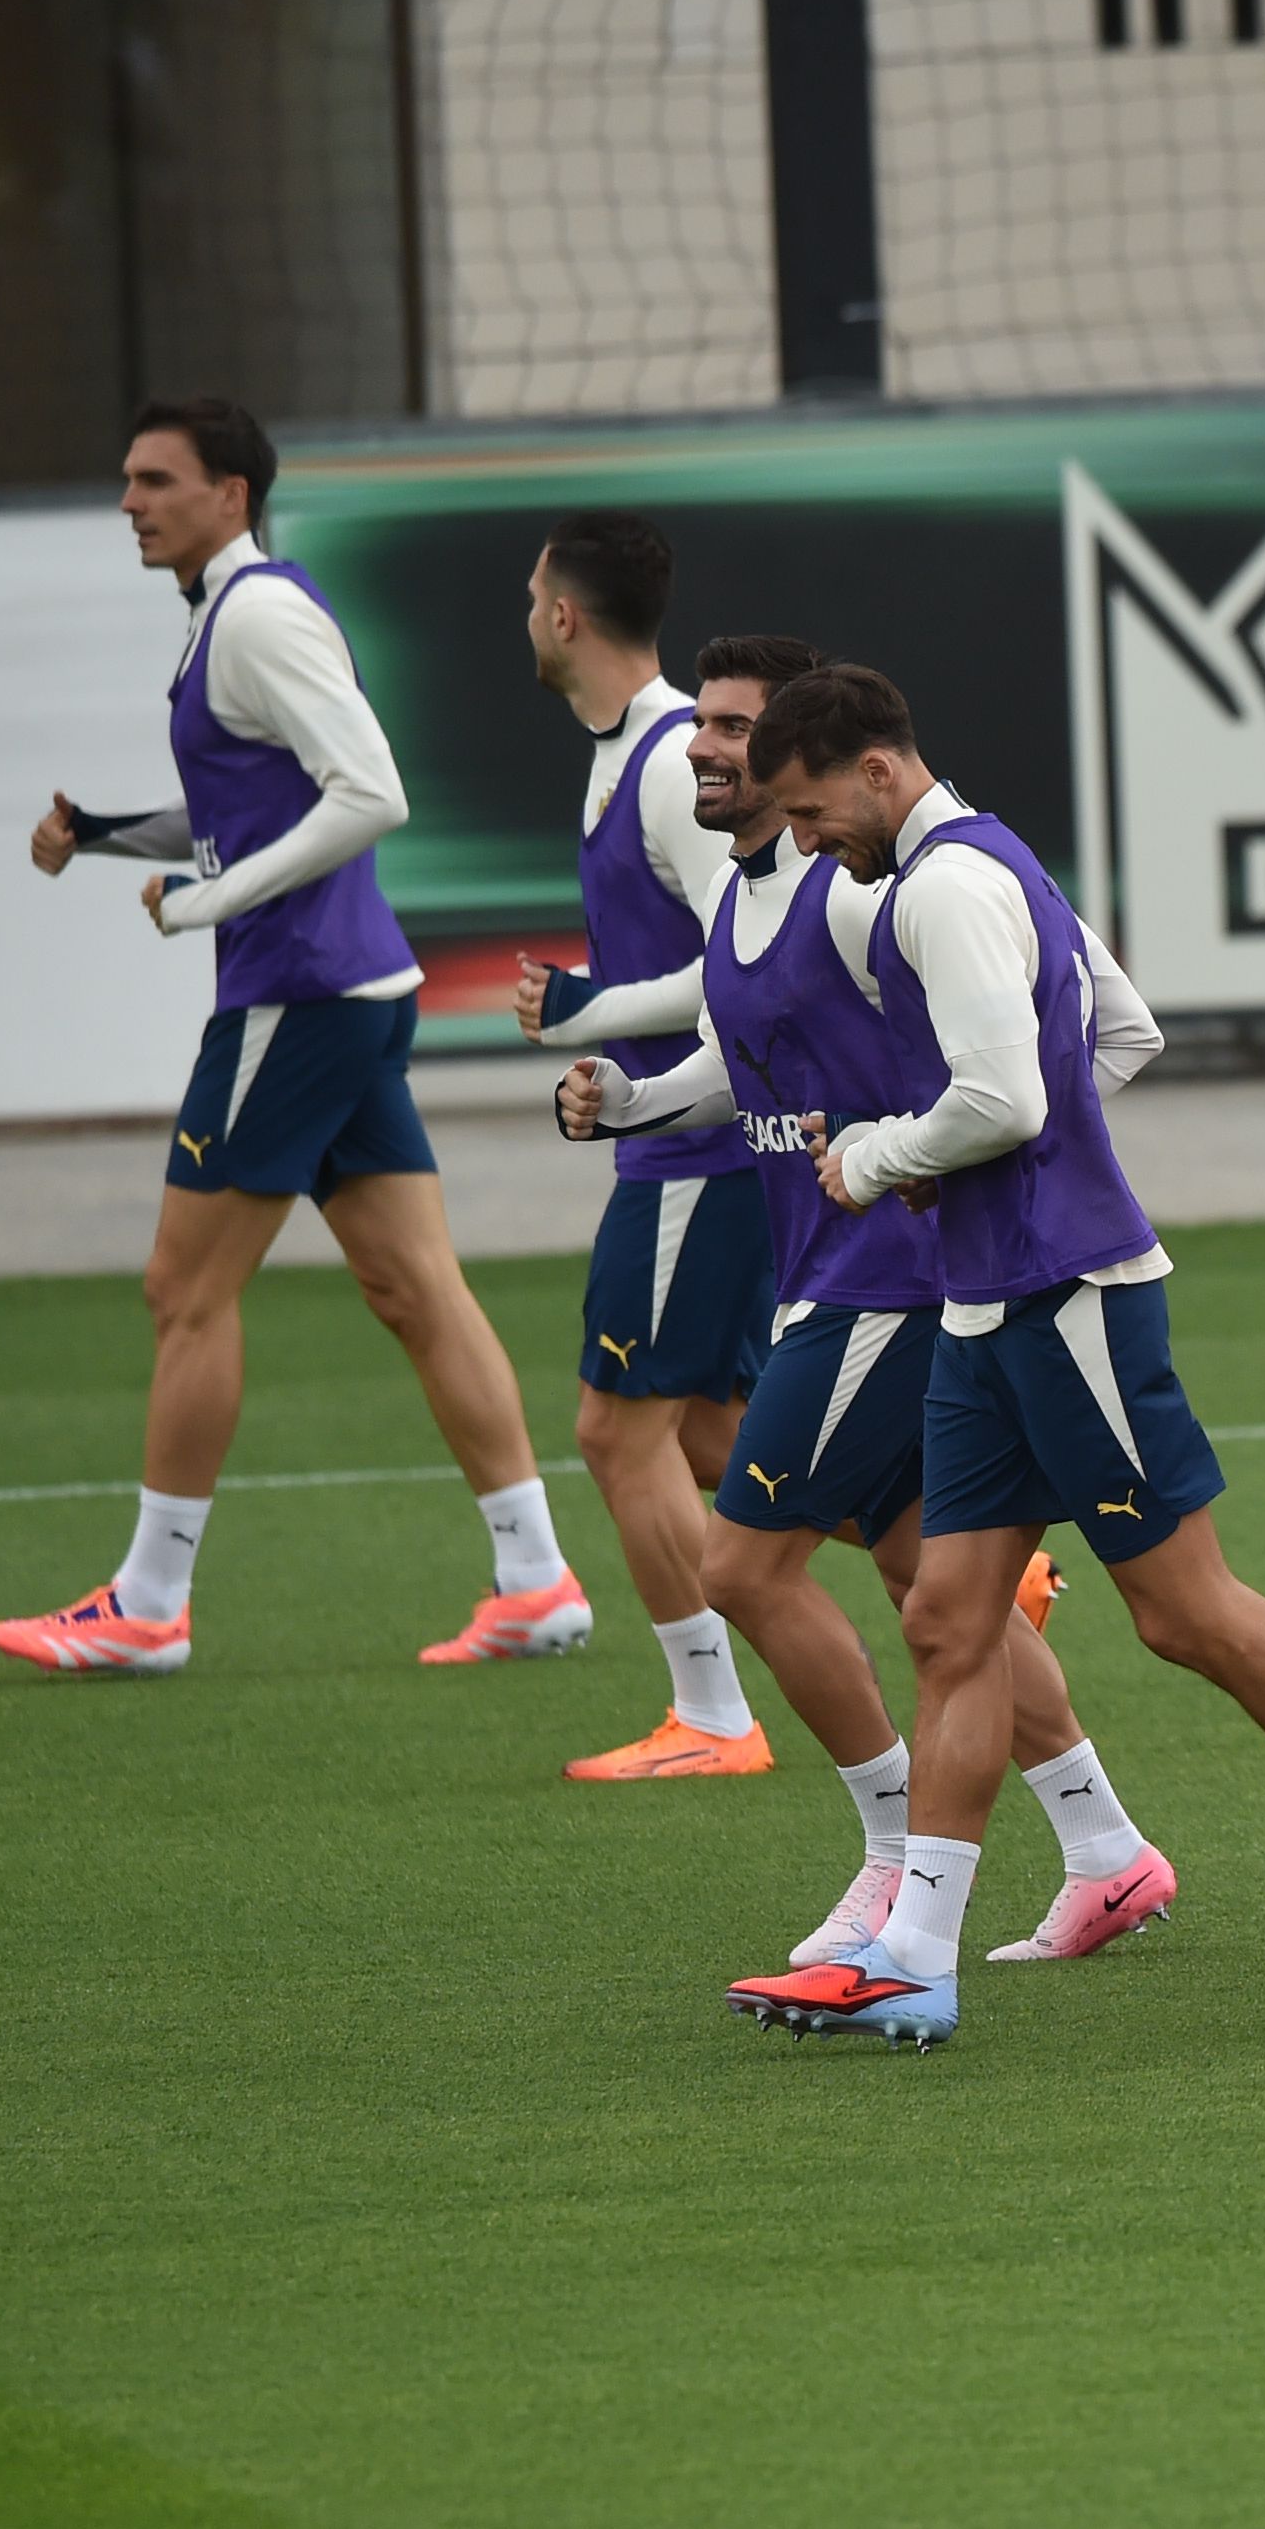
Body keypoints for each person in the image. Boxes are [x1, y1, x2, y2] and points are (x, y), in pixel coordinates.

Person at [714, 668, 1265, 2049]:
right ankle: (915, 1954)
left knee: (1184, 1613)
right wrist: (990, 1156)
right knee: (951, 1619)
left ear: (879, 769)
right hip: (988, 1298)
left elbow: (1008, 1095)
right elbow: (1114, 1039)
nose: (808, 836)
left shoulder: (944, 887)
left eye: (812, 806)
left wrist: (887, 1158)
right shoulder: (978, 859)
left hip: (1062, 1296)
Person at [557, 637, 1173, 1971]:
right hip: (826, 1281)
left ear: (805, 760)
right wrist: (637, 1101)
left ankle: (895, 1859)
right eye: (703, 726)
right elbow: (745, 1067)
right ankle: (1108, 1852)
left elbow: (1083, 1035)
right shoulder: (750, 890)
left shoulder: (870, 890)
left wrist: (950, 1169)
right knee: (931, 1591)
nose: (704, 748)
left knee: (743, 1562)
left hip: (884, 1289)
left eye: (732, 730)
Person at [0, 397, 581, 1677]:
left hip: (295, 999)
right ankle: (535, 1578)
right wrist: (105, 832)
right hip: (350, 992)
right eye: (128, 479)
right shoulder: (230, 617)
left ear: (231, 494)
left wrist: (210, 900)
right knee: (415, 1290)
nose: (131, 502)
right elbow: (249, 812)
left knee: (183, 1289)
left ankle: (148, 1605)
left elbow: (372, 791)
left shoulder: (254, 617)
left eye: (157, 480)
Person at [504, 512, 777, 1779]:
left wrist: (589, 1014)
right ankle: (999, 1574)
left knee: (619, 1432)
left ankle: (712, 1717)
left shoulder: (668, 760)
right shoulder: (627, 750)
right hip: (677, 1142)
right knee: (719, 1438)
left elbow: (746, 962)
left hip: (695, 1152)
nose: (527, 616)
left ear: (564, 615)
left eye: (530, 597)